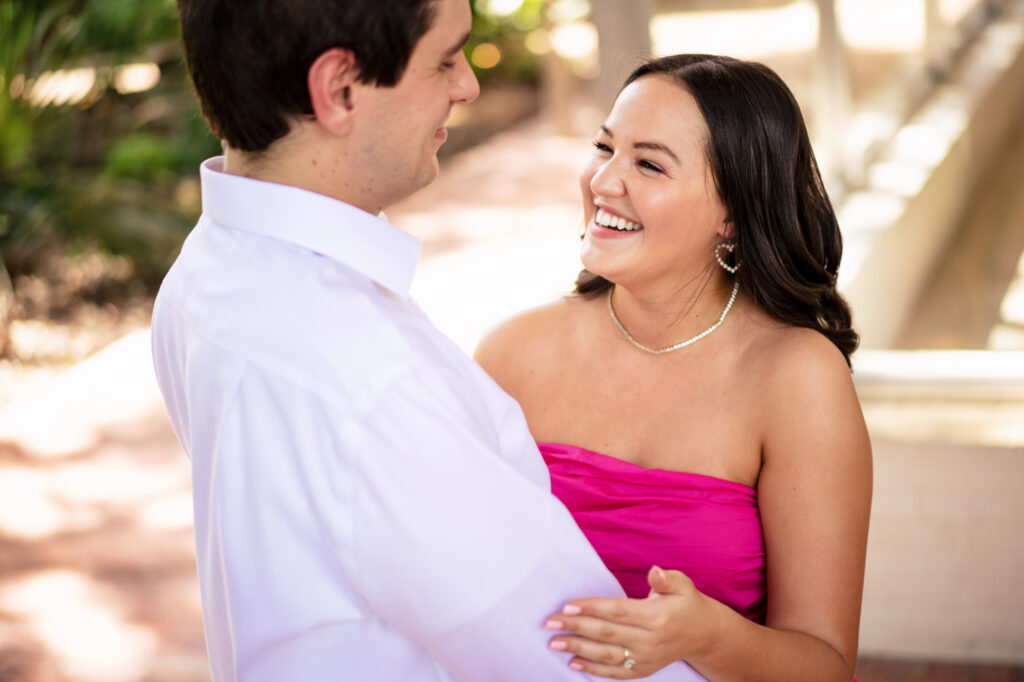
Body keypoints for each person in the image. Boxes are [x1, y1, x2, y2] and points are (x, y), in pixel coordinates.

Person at [151, 1, 707, 680]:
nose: (468, 84)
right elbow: (583, 658)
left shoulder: (205, 274)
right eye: (445, 59)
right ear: (340, 90)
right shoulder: (372, 385)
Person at [476, 54, 872, 681]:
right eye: (604, 147)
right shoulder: (511, 352)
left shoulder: (796, 378)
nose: (604, 181)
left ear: (733, 214)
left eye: (649, 163)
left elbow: (823, 664)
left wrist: (709, 637)